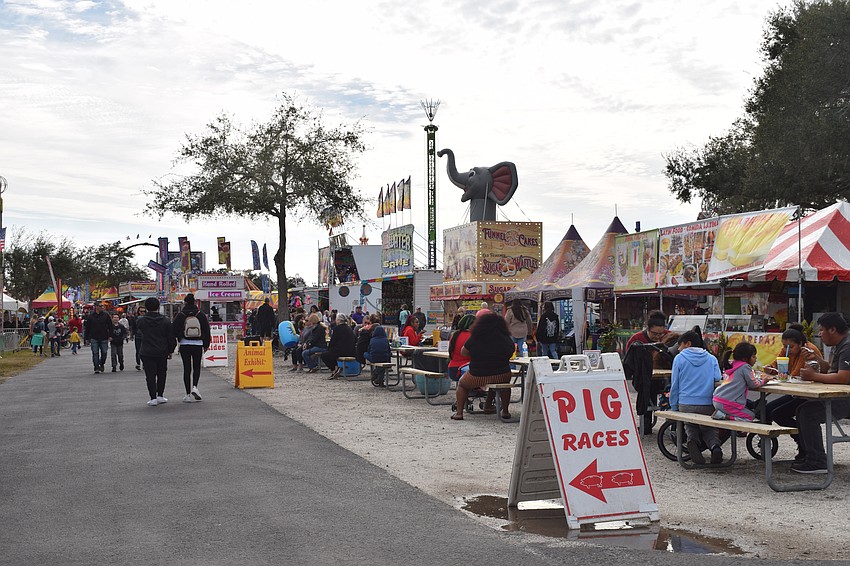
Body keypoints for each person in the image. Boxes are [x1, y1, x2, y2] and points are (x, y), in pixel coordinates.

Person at [794, 313, 850, 474]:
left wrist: (813, 376)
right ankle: (808, 455)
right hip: (837, 394)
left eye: (821, 330)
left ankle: (817, 461)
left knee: (808, 413)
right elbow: (830, 369)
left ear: (832, 329)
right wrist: (816, 359)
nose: (819, 334)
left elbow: (843, 377)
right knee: (799, 408)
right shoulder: (839, 345)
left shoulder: (847, 346)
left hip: (845, 398)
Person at [669, 330, 723, 464]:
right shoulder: (711, 358)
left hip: (686, 403)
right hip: (707, 403)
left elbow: (675, 384)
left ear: (688, 344)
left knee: (690, 426)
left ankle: (692, 442)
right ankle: (715, 447)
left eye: (680, 345)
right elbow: (717, 377)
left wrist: (674, 405)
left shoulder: (679, 359)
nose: (679, 349)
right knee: (709, 428)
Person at [764, 325, 823, 444]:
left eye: (791, 347)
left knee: (778, 414)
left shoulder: (806, 350)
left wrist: (779, 375)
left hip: (808, 393)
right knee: (766, 410)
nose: (787, 349)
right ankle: (766, 441)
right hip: (796, 392)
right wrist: (770, 368)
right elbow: (776, 364)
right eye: (784, 346)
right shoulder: (786, 349)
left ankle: (803, 442)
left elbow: (796, 373)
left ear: (800, 343)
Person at [451, 312, 515, 421]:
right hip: (502, 374)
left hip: (477, 375)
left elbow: (463, 352)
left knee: (462, 384)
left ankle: (459, 413)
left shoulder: (476, 337)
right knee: (504, 386)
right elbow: (511, 351)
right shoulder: (506, 338)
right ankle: (505, 411)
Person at [713, 341, 773, 423]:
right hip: (727, 403)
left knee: (747, 411)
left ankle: (723, 415)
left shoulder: (733, 364)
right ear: (745, 358)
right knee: (750, 416)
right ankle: (724, 416)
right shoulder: (745, 367)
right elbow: (753, 384)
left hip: (718, 399)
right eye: (753, 356)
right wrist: (764, 381)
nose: (755, 359)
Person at [136, 297, 177, 406]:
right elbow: (171, 337)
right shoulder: (166, 321)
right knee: (162, 373)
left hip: (147, 350)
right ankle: (160, 395)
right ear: (158, 307)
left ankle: (153, 397)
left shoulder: (141, 321)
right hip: (162, 350)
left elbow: (138, 330)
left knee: (150, 375)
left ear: (146, 307)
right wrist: (171, 350)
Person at [172, 293, 212, 403]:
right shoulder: (200, 314)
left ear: (185, 302)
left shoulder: (181, 315)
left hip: (184, 344)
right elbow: (206, 330)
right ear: (194, 302)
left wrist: (179, 338)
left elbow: (174, 329)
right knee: (196, 367)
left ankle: (187, 394)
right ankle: (195, 387)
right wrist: (206, 345)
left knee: (187, 368)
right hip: (198, 344)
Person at [320, 313, 356, 379]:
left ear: (339, 320)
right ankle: (337, 369)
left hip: (341, 351)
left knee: (324, 355)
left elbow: (333, 342)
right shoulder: (349, 328)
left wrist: (328, 349)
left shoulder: (337, 329)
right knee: (331, 354)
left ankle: (334, 369)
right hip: (351, 351)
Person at [85, 303, 113, 374]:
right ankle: (96, 367)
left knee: (104, 352)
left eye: (102, 306)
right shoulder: (91, 316)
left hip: (104, 337)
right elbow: (87, 327)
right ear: (96, 307)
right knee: (95, 352)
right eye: (100, 306)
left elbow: (110, 326)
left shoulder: (106, 315)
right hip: (94, 337)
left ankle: (102, 363)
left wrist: (110, 335)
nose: (102, 307)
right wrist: (87, 338)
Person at [447, 314, 475, 381]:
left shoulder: (454, 335)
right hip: (466, 369)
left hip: (452, 369)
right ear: (470, 324)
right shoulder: (472, 336)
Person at [130, 304, 146, 370]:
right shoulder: (135, 318)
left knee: (145, 350)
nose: (142, 313)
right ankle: (138, 363)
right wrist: (132, 334)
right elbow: (133, 327)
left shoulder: (147, 318)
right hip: (138, 336)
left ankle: (144, 363)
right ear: (138, 312)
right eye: (141, 311)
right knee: (138, 350)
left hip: (146, 337)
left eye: (144, 311)